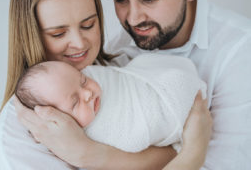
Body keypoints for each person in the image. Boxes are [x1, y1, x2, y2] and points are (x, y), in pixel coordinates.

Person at [0, 0, 212, 169]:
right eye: (58, 34)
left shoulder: (122, 71)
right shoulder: (25, 128)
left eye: (88, 25)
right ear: (31, 35)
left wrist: (92, 153)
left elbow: (170, 151)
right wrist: (194, 151)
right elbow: (178, 153)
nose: (79, 43)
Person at [103, 0, 251, 169]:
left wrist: (90, 154)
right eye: (120, 0)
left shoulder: (240, 51)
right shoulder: (116, 44)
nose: (133, 18)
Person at [15, 54, 206, 154]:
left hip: (166, 88)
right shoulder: (78, 139)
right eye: (75, 102)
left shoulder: (94, 73)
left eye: (82, 80)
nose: (88, 93)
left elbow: (118, 80)